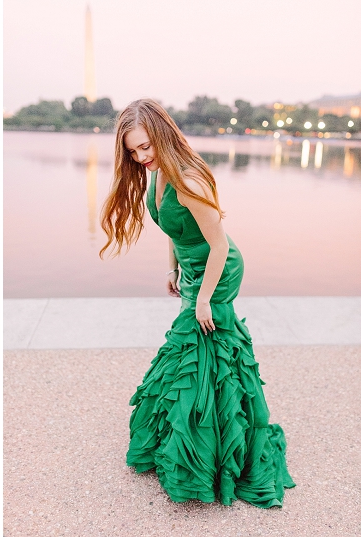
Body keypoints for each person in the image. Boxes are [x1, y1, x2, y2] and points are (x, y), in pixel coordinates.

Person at [100, 98, 295, 508]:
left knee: (203, 348)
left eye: (146, 147)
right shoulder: (157, 176)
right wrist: (173, 270)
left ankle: (218, 451)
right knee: (198, 353)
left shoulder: (190, 180)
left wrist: (204, 298)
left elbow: (219, 245)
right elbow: (175, 231)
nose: (141, 157)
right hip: (191, 268)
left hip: (217, 272)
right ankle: (198, 435)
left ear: (164, 136)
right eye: (133, 151)